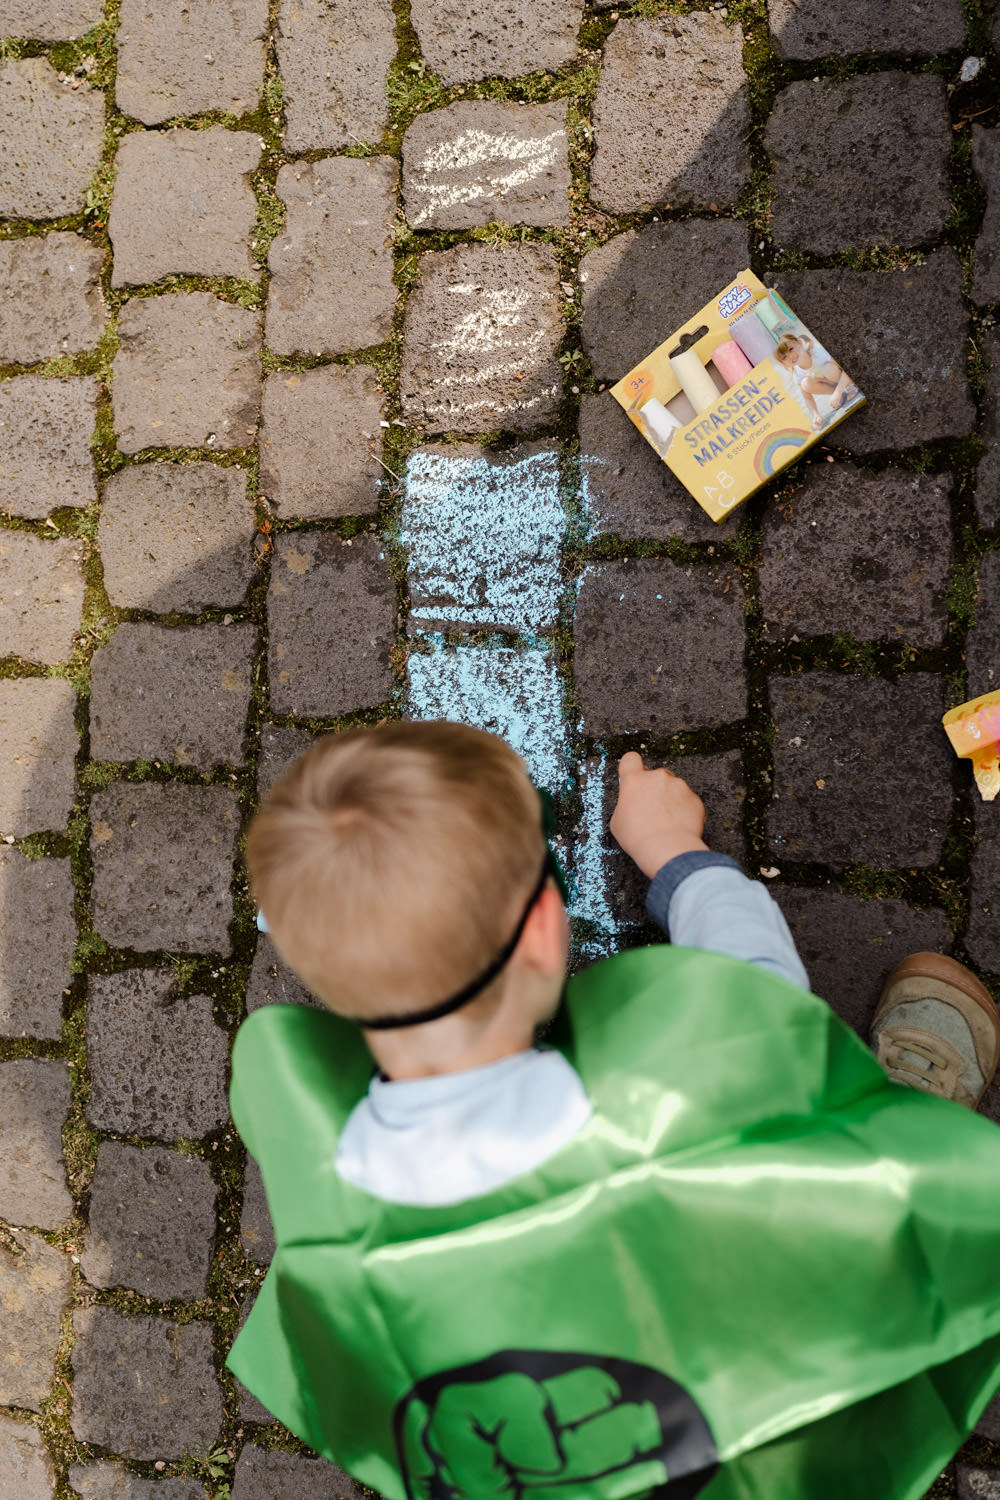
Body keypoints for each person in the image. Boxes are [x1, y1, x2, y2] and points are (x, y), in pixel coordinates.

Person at [229, 721, 1000, 1500]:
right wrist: (676, 855)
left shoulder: (313, 1172)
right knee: (839, 1152)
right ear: (541, 928)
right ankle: (889, 1114)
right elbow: (759, 985)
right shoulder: (691, 1073)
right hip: (775, 1422)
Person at [774, 332, 858, 430]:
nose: (790, 356)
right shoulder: (797, 374)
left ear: (799, 343)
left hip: (843, 377)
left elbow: (844, 369)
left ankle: (849, 386)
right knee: (805, 384)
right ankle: (843, 395)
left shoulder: (817, 352)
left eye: (791, 349)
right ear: (784, 363)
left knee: (827, 369)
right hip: (833, 386)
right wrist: (815, 415)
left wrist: (838, 391)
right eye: (784, 357)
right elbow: (808, 398)